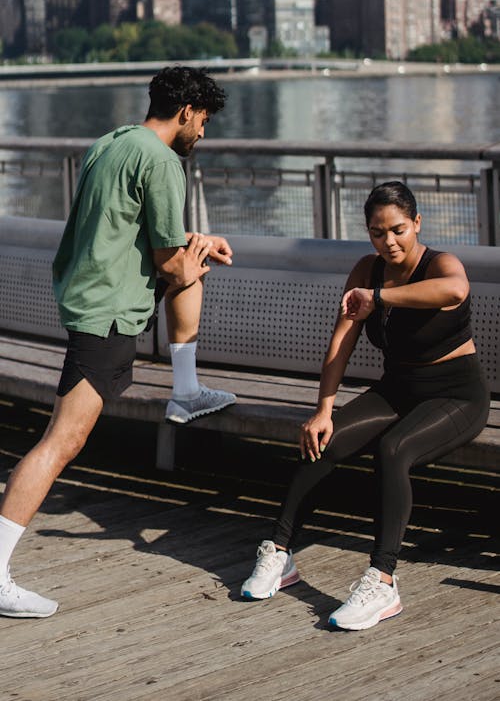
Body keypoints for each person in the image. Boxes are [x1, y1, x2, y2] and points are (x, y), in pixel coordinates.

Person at [0, 66, 236, 618]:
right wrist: (200, 252)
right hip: (105, 315)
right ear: (185, 112)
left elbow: (135, 237)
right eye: (202, 120)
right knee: (61, 442)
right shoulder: (163, 162)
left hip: (88, 297)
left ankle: (186, 388)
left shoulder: (111, 142)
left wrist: (192, 249)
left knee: (62, 439)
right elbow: (169, 263)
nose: (202, 132)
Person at [241, 181, 490, 631]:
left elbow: (453, 291)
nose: (389, 242)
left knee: (394, 449)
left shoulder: (440, 264)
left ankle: (382, 580)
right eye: (378, 233)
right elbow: (342, 340)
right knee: (326, 438)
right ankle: (280, 552)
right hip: (397, 389)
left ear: (417, 223)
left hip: (456, 397)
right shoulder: (366, 270)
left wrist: (380, 299)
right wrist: (323, 409)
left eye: (398, 229)